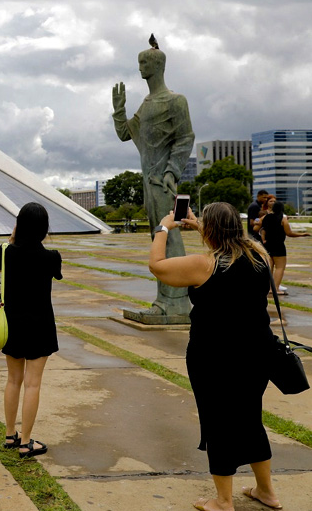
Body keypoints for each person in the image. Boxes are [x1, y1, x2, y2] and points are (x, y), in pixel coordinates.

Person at [148, 202, 281, 511]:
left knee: (218, 423)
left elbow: (157, 265)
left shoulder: (203, 264)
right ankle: (266, 492)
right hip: (258, 353)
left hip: (215, 356)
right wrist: (201, 226)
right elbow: (235, 245)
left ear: (211, 232)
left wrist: (163, 227)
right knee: (250, 419)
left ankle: (223, 501)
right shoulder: (261, 256)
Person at [112, 38, 195, 319]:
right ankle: (166, 299)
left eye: (143, 63)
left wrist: (172, 170)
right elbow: (126, 133)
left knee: (168, 236)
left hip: (163, 182)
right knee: (158, 237)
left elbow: (185, 138)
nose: (139, 69)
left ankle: (176, 300)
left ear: (157, 65)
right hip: (149, 183)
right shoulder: (146, 104)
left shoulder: (175, 101)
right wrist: (119, 109)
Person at [0, 203, 61, 459]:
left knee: (13, 380)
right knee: (32, 385)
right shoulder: (51, 257)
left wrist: (13, 238)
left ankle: (10, 434)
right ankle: (25, 442)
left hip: (13, 324)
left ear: (18, 225)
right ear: (44, 228)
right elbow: (55, 274)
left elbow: (1, 264)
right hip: (40, 325)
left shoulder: (6, 253)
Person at [255, 200, 309, 296]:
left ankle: (269, 288)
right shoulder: (283, 219)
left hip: (267, 245)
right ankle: (276, 288)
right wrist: (302, 234)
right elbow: (289, 233)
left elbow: (256, 228)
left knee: (269, 267)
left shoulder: (265, 217)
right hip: (278, 245)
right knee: (280, 267)